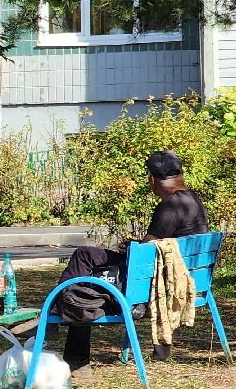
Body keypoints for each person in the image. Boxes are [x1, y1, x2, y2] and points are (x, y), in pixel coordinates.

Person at [55, 150, 209, 375]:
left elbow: (147, 253)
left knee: (82, 270)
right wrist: (136, 246)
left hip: (153, 283)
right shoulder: (192, 200)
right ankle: (61, 313)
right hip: (185, 277)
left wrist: (135, 247)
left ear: (152, 179)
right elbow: (160, 245)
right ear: (180, 174)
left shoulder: (170, 207)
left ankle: (59, 315)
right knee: (84, 271)